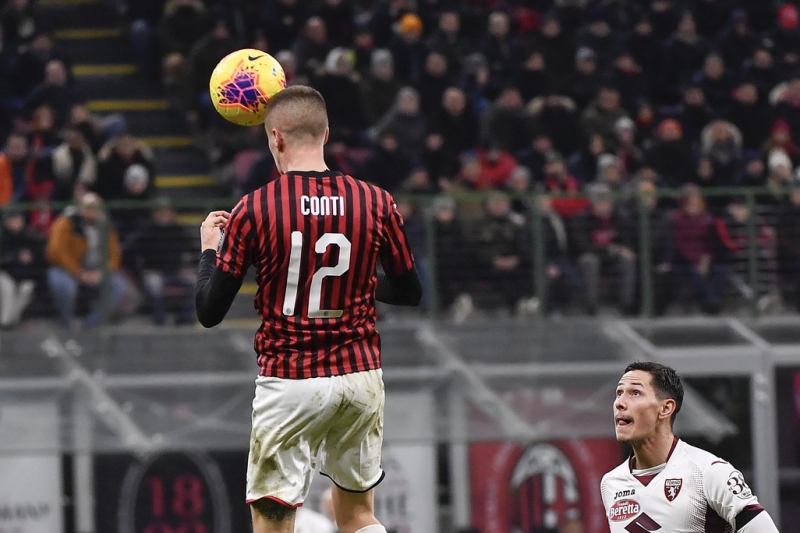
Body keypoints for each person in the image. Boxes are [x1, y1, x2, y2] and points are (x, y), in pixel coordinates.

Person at [194, 85, 422, 533]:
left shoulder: (254, 208)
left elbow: (209, 310)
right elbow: (410, 291)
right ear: (326, 133)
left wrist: (208, 250)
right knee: (358, 516)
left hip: (290, 377)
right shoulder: (376, 201)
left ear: (275, 137)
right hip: (359, 376)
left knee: (273, 522)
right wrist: (360, 281)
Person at [601, 362, 780, 532]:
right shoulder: (611, 483)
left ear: (665, 408)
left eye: (635, 393)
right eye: (619, 393)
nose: (619, 403)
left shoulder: (709, 472)